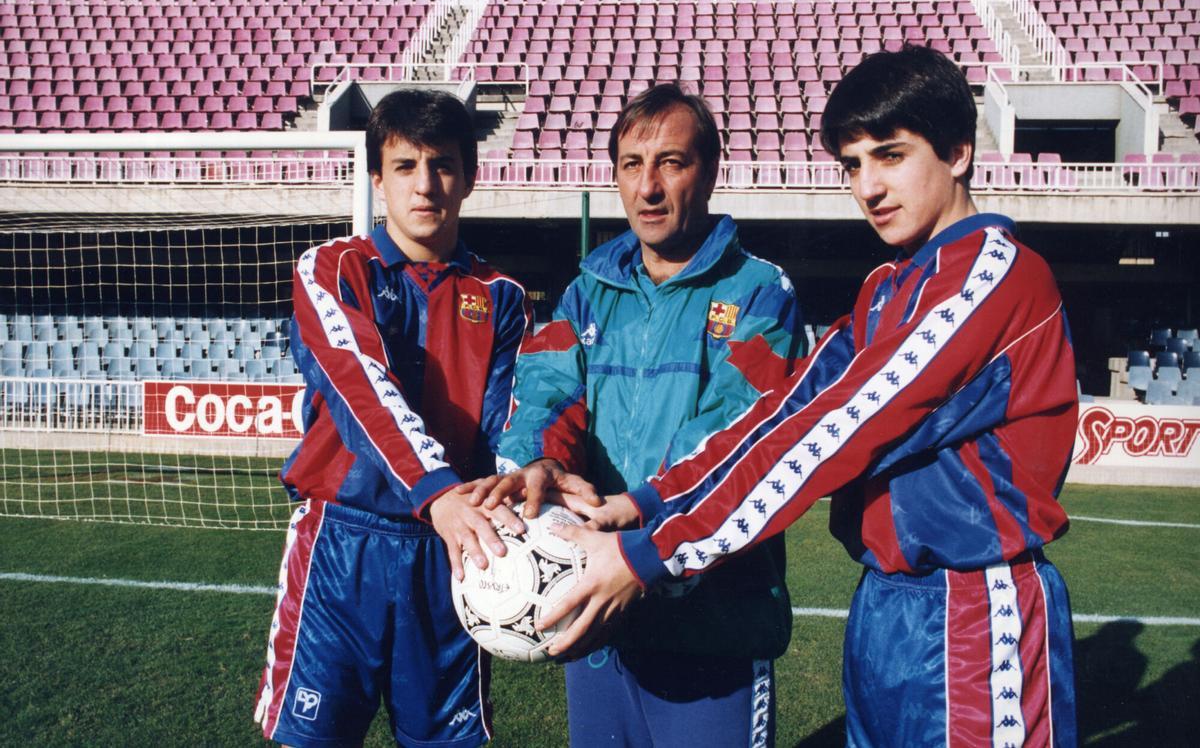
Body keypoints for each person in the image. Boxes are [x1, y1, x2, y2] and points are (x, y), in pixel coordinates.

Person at [529, 46, 1081, 746]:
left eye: (890, 155)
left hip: (975, 607)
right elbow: (781, 414)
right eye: (852, 165)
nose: (869, 186)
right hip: (885, 607)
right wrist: (642, 504)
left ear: (959, 151)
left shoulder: (996, 275)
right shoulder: (888, 288)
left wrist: (649, 552)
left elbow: (836, 431)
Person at [484, 83, 806, 747]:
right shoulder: (587, 292)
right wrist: (542, 459)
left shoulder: (759, 293)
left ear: (710, 172)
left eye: (671, 162)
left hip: (711, 627)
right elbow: (547, 391)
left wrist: (635, 524)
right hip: (598, 614)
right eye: (632, 164)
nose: (649, 187)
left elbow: (733, 430)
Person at [253, 89, 531, 747]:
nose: (425, 183)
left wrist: (517, 503)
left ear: (469, 175)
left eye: (442, 164)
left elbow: (506, 427)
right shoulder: (334, 268)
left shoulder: (502, 297)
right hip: (342, 547)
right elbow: (361, 390)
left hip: (451, 554)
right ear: (377, 178)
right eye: (405, 166)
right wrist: (436, 492)